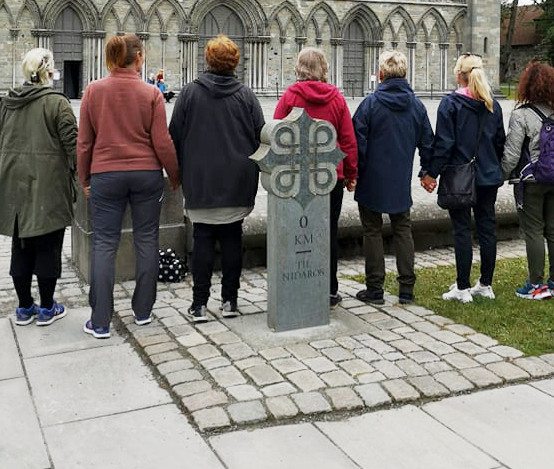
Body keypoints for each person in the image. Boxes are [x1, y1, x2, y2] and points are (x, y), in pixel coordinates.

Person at [77, 34, 179, 338]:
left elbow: (84, 143)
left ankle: (100, 321)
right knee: (147, 239)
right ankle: (144, 311)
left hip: (106, 175)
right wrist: (173, 175)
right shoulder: (151, 94)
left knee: (104, 243)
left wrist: (85, 178)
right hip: (146, 174)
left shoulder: (93, 91)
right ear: (138, 58)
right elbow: (163, 141)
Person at [169, 36, 264, 322]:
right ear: (235, 63)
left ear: (207, 60)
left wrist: (181, 169)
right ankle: (230, 302)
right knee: (232, 238)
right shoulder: (246, 95)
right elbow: (262, 135)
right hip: (237, 181)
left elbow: (173, 134)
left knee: (203, 239)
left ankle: (199, 305)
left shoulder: (189, 93)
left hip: (201, 181)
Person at [0, 49, 77, 327]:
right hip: (49, 186)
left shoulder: (6, 103)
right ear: (49, 72)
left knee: (21, 246)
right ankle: (47, 308)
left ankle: (24, 307)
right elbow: (74, 147)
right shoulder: (58, 103)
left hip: (14, 186)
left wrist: (11, 172)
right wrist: (72, 178)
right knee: (48, 247)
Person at [274, 47, 358, 307]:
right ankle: (329, 290)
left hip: (298, 178)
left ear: (299, 68)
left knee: (296, 231)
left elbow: (276, 133)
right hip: (328, 177)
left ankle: (296, 285)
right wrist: (351, 173)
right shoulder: (337, 99)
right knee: (327, 233)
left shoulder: (290, 97)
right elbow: (348, 140)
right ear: (323, 69)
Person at [352, 51, 434, 305]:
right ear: (405, 74)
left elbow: (357, 143)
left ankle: (375, 288)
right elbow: (428, 143)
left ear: (381, 75)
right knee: (402, 230)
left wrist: (355, 172)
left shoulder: (370, 104)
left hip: (372, 180)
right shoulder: (417, 106)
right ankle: (406, 288)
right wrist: (427, 172)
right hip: (399, 179)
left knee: (372, 231)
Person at [423, 54, 505, 303]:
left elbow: (444, 144)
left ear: (459, 75)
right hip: (488, 176)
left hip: (460, 176)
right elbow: (500, 140)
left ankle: (462, 287)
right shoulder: (494, 105)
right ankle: (485, 284)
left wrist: (430, 172)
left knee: (462, 230)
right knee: (487, 229)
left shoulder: (451, 104)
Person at [501, 61, 554, 300]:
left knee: (533, 230)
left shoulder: (521, 115)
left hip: (532, 180)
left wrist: (501, 175)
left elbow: (511, 154)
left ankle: (536, 284)